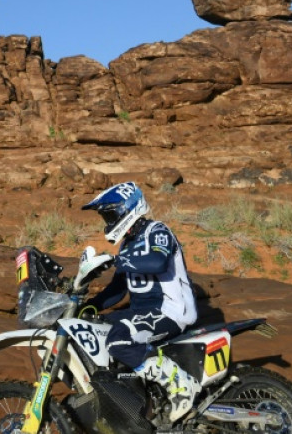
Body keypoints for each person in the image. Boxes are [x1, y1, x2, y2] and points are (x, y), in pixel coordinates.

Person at [80, 181, 200, 423]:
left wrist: (117, 260)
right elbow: (117, 290)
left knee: (118, 340)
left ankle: (180, 384)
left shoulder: (158, 231)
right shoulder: (128, 244)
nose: (108, 221)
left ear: (129, 209)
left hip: (170, 311)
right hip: (144, 313)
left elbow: (157, 262)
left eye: (110, 214)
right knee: (97, 328)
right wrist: (89, 307)